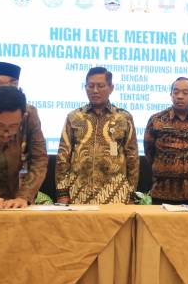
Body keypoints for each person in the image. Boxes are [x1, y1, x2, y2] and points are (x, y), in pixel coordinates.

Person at [55, 67, 139, 204]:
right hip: (78, 194)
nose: (95, 90)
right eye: (90, 86)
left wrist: (131, 194)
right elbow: (63, 156)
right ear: (85, 87)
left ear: (111, 88)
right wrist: (62, 193)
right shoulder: (74, 117)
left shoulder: (124, 117)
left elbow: (133, 158)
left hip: (116, 194)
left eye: (100, 86)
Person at [144, 77, 188, 205]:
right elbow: (149, 152)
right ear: (171, 95)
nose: (180, 96)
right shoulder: (157, 120)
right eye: (176, 92)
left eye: (185, 92)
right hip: (164, 191)